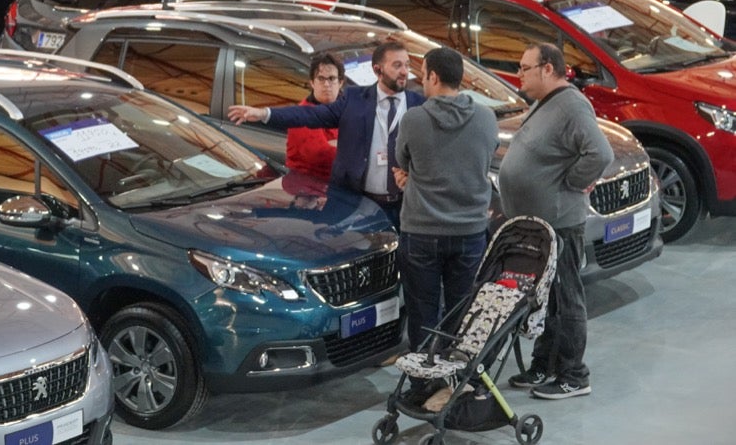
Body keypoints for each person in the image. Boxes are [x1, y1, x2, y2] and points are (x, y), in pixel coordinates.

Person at [498, 43, 613, 401]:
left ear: (548, 69)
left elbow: (601, 152)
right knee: (545, 299)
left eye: (524, 67)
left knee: (565, 299)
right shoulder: (547, 102)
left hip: (560, 222)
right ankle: (544, 364)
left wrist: (573, 182)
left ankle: (574, 375)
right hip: (539, 223)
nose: (519, 74)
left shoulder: (572, 105)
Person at [228, 41, 423, 230]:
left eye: (406, 65)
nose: (405, 71)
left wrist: (413, 172)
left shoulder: (419, 104)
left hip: (403, 206)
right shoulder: (354, 100)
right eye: (397, 65)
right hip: (356, 205)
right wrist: (263, 114)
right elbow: (308, 114)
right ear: (377, 70)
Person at [391, 47, 499, 350]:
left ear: (434, 77)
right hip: (470, 231)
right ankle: (457, 379)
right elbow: (484, 159)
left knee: (423, 312)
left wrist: (415, 179)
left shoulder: (414, 119)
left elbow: (403, 159)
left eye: (422, 75)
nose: (420, 81)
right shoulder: (486, 118)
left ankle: (423, 384)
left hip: (422, 232)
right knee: (462, 310)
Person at [285, 54, 344, 180]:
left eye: (332, 78)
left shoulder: (348, 108)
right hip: (308, 189)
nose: (327, 84)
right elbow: (321, 155)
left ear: (340, 83)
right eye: (321, 79)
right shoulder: (302, 115)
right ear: (312, 83)